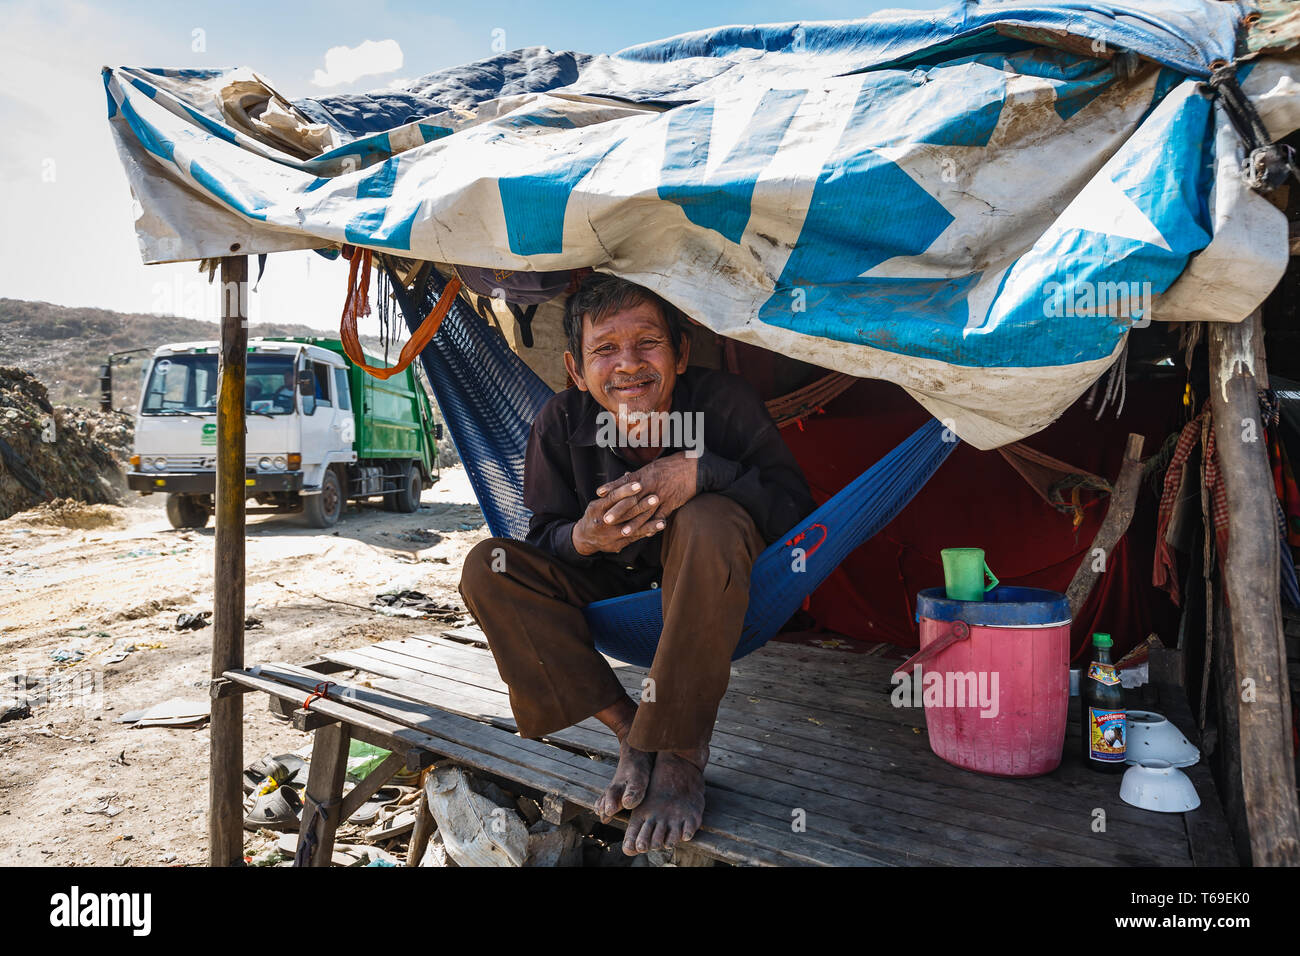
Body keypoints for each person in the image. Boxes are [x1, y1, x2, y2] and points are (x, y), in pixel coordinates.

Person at [459, 273, 813, 856]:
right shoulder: (559, 422)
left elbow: (796, 513)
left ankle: (679, 753)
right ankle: (632, 731)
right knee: (487, 567)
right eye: (605, 349)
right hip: (607, 589)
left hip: (714, 580)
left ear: (681, 353)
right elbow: (543, 537)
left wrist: (702, 471)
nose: (628, 364)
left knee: (710, 517)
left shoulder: (725, 404)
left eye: (647, 343)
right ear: (576, 370)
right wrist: (585, 538)